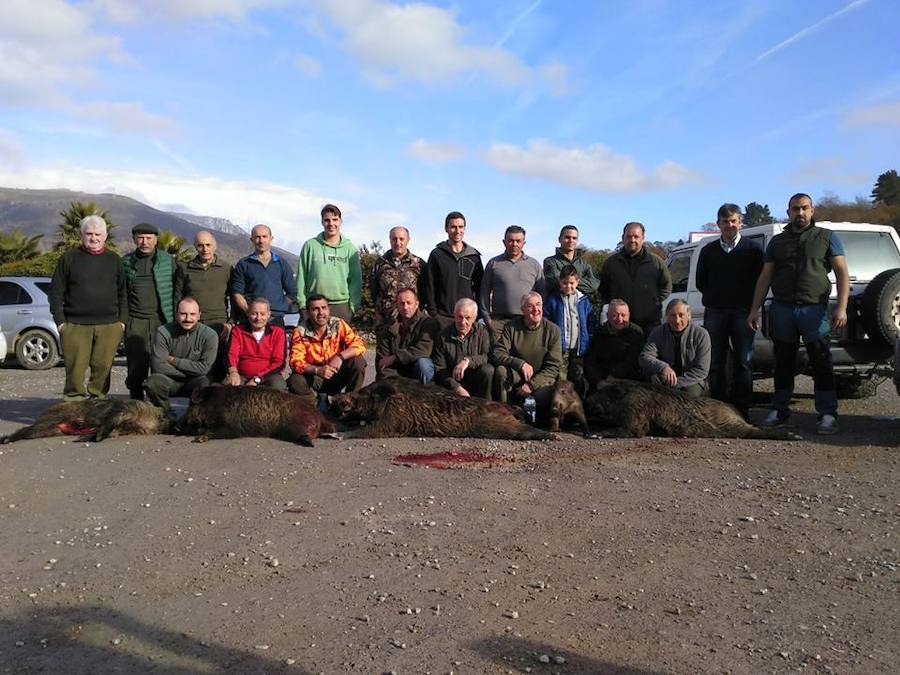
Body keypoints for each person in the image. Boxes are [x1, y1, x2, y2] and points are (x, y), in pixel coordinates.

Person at [748, 193, 849, 434]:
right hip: (783, 308)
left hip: (814, 309)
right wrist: (754, 309)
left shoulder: (826, 237)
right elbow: (765, 277)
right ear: (788, 212)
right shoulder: (778, 242)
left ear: (812, 210)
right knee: (783, 362)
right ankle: (779, 410)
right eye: (795, 209)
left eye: (804, 208)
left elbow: (842, 272)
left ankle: (827, 414)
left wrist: (842, 307)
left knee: (821, 360)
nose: (800, 213)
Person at [695, 204, 764, 420]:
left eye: (733, 221)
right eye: (725, 222)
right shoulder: (708, 251)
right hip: (715, 311)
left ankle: (742, 411)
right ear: (718, 224)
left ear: (740, 222)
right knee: (715, 362)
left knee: (744, 362)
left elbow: (761, 281)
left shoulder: (753, 250)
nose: (729, 225)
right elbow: (700, 282)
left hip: (743, 312)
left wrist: (753, 309)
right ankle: (719, 410)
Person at [48, 215, 127, 400]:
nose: (93, 238)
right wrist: (61, 323)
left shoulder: (114, 260)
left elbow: (124, 293)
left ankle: (97, 405)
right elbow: (55, 293)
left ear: (105, 236)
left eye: (98, 234)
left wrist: (121, 322)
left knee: (102, 369)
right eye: (89, 233)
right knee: (75, 371)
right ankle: (73, 406)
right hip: (75, 325)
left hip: (109, 325)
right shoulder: (68, 259)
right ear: (81, 235)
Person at [122, 222, 176, 401]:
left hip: (161, 321)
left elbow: (178, 290)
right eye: (140, 238)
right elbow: (121, 292)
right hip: (136, 321)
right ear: (134, 239)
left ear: (156, 239)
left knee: (160, 366)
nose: (144, 242)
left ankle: (159, 409)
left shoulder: (168, 261)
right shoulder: (126, 262)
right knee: (136, 368)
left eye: (148, 238)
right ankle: (136, 406)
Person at [492, 292, 562, 423]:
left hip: (540, 381)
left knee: (539, 400)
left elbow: (553, 366)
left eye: (538, 305)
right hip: (517, 376)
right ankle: (505, 416)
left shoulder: (553, 331)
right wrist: (520, 364)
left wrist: (531, 385)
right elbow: (497, 353)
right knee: (501, 372)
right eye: (530, 306)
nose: (536, 309)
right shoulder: (511, 327)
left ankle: (536, 420)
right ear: (522, 310)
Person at [174, 230, 234, 380]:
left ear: (215, 246)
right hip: (193, 324)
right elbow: (177, 298)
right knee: (195, 368)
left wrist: (231, 323)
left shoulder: (226, 269)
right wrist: (179, 323)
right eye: (200, 245)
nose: (205, 249)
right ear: (195, 246)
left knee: (219, 367)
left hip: (219, 325)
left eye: (208, 245)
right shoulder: (184, 268)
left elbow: (234, 299)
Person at [288, 294, 367, 403]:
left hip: (336, 373)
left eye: (323, 308)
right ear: (308, 312)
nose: (321, 313)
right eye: (315, 309)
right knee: (295, 380)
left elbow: (359, 344)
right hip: (315, 377)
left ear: (328, 309)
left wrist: (340, 357)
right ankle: (315, 406)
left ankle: (350, 403)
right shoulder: (300, 332)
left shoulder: (338, 324)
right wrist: (317, 370)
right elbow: (296, 362)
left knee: (358, 362)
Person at [144, 297, 218, 412]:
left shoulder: (210, 335)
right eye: (183, 314)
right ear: (176, 314)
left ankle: (193, 417)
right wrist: (192, 369)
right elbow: (158, 366)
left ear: (199, 315)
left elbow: (204, 369)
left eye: (192, 314)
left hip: (194, 382)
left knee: (205, 383)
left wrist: (174, 361)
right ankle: (164, 414)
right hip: (169, 380)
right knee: (152, 382)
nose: (188, 319)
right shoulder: (163, 332)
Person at [599, 222, 671, 336]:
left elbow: (666, 287)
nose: (632, 240)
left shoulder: (656, 263)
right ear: (623, 238)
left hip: (649, 324)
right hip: (619, 324)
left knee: (648, 354)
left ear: (643, 238)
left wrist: (653, 302)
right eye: (628, 236)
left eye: (636, 236)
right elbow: (603, 290)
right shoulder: (611, 263)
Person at [296, 204, 362, 323]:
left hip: (341, 306)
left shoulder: (350, 249)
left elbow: (356, 281)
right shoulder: (310, 246)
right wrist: (302, 304)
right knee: (311, 341)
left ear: (341, 221)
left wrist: (353, 307)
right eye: (327, 220)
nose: (331, 224)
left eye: (335, 219)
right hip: (314, 304)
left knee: (340, 342)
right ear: (322, 222)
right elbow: (301, 277)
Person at [481, 225, 545, 343]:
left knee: (523, 359)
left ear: (523, 243)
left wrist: (537, 319)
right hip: (499, 323)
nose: (514, 244)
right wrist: (487, 318)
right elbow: (484, 292)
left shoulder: (534, 265)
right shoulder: (494, 263)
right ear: (504, 242)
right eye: (511, 240)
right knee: (499, 357)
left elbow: (542, 294)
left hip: (526, 321)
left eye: (518, 241)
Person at [422, 211, 484, 330]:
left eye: (460, 227)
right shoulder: (437, 254)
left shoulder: (473, 256)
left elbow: (480, 288)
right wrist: (433, 313)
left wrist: (478, 314)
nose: (457, 231)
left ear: (464, 229)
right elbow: (429, 285)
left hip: (467, 317)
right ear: (446, 228)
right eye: (453, 227)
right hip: (443, 316)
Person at [639, 299, 710, 398]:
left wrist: (676, 383)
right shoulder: (657, 332)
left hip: (691, 381)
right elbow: (645, 356)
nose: (677, 320)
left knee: (687, 398)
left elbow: (702, 370)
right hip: (665, 378)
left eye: (681, 315)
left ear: (689, 316)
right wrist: (663, 367)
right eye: (673, 315)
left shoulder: (701, 334)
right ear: (667, 316)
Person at [231, 224, 297, 326]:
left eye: (264, 236)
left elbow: (292, 292)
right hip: (249, 320)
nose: (261, 240)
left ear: (271, 238)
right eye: (257, 237)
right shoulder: (244, 264)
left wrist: (279, 307)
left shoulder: (281, 263)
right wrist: (250, 311)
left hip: (275, 319)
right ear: (251, 239)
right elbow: (237, 293)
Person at [371, 226, 426, 348]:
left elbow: (425, 291)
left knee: (408, 357)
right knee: (384, 360)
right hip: (385, 320)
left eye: (401, 239)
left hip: (410, 322)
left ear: (408, 240)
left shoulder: (419, 264)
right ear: (390, 240)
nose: (398, 243)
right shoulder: (380, 263)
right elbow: (374, 290)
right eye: (394, 239)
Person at [542, 265, 595, 388]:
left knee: (578, 376)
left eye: (572, 283)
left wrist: (588, 339)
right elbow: (546, 320)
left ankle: (578, 403)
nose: (568, 286)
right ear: (560, 282)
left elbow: (591, 322)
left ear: (577, 282)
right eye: (565, 283)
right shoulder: (553, 300)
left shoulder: (584, 301)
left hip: (578, 348)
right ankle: (561, 405)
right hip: (560, 348)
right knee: (561, 379)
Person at [433, 298, 494, 399]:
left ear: (474, 318)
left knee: (488, 370)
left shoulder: (482, 332)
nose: (462, 322)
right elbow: (440, 367)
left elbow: (487, 356)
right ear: (454, 315)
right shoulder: (442, 336)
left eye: (467, 318)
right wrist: (456, 387)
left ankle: (486, 403)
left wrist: (468, 361)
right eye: (459, 317)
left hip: (475, 377)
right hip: (452, 381)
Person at [376, 288, 439, 383]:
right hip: (397, 372)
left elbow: (423, 350)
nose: (405, 307)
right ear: (397, 305)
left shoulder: (428, 323)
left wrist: (395, 357)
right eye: (402, 303)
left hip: (417, 368)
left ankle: (428, 395)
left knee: (424, 365)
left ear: (417, 304)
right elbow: (383, 361)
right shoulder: (388, 327)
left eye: (409, 303)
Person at [224, 297, 287, 390]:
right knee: (225, 388)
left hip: (268, 377)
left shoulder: (278, 333)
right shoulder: (238, 331)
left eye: (262, 314)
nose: (258, 318)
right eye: (254, 313)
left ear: (269, 315)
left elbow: (279, 362)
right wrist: (233, 372)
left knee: (278, 386)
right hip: (241, 375)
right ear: (248, 314)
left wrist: (257, 378)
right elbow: (231, 354)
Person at [583, 299, 644, 390]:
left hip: (627, 381)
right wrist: (598, 381)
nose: (620, 319)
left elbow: (632, 360)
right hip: (601, 381)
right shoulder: (599, 333)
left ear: (629, 315)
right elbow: (591, 361)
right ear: (607, 316)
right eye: (615, 315)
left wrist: (613, 376)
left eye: (623, 315)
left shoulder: (636, 333)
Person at [543, 225, 600, 298]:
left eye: (574, 238)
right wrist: (578, 282)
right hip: (557, 305)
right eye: (567, 237)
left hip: (579, 305)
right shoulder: (550, 262)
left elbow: (594, 285)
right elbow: (554, 283)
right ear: (559, 239)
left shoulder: (584, 263)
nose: (571, 241)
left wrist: (566, 282)